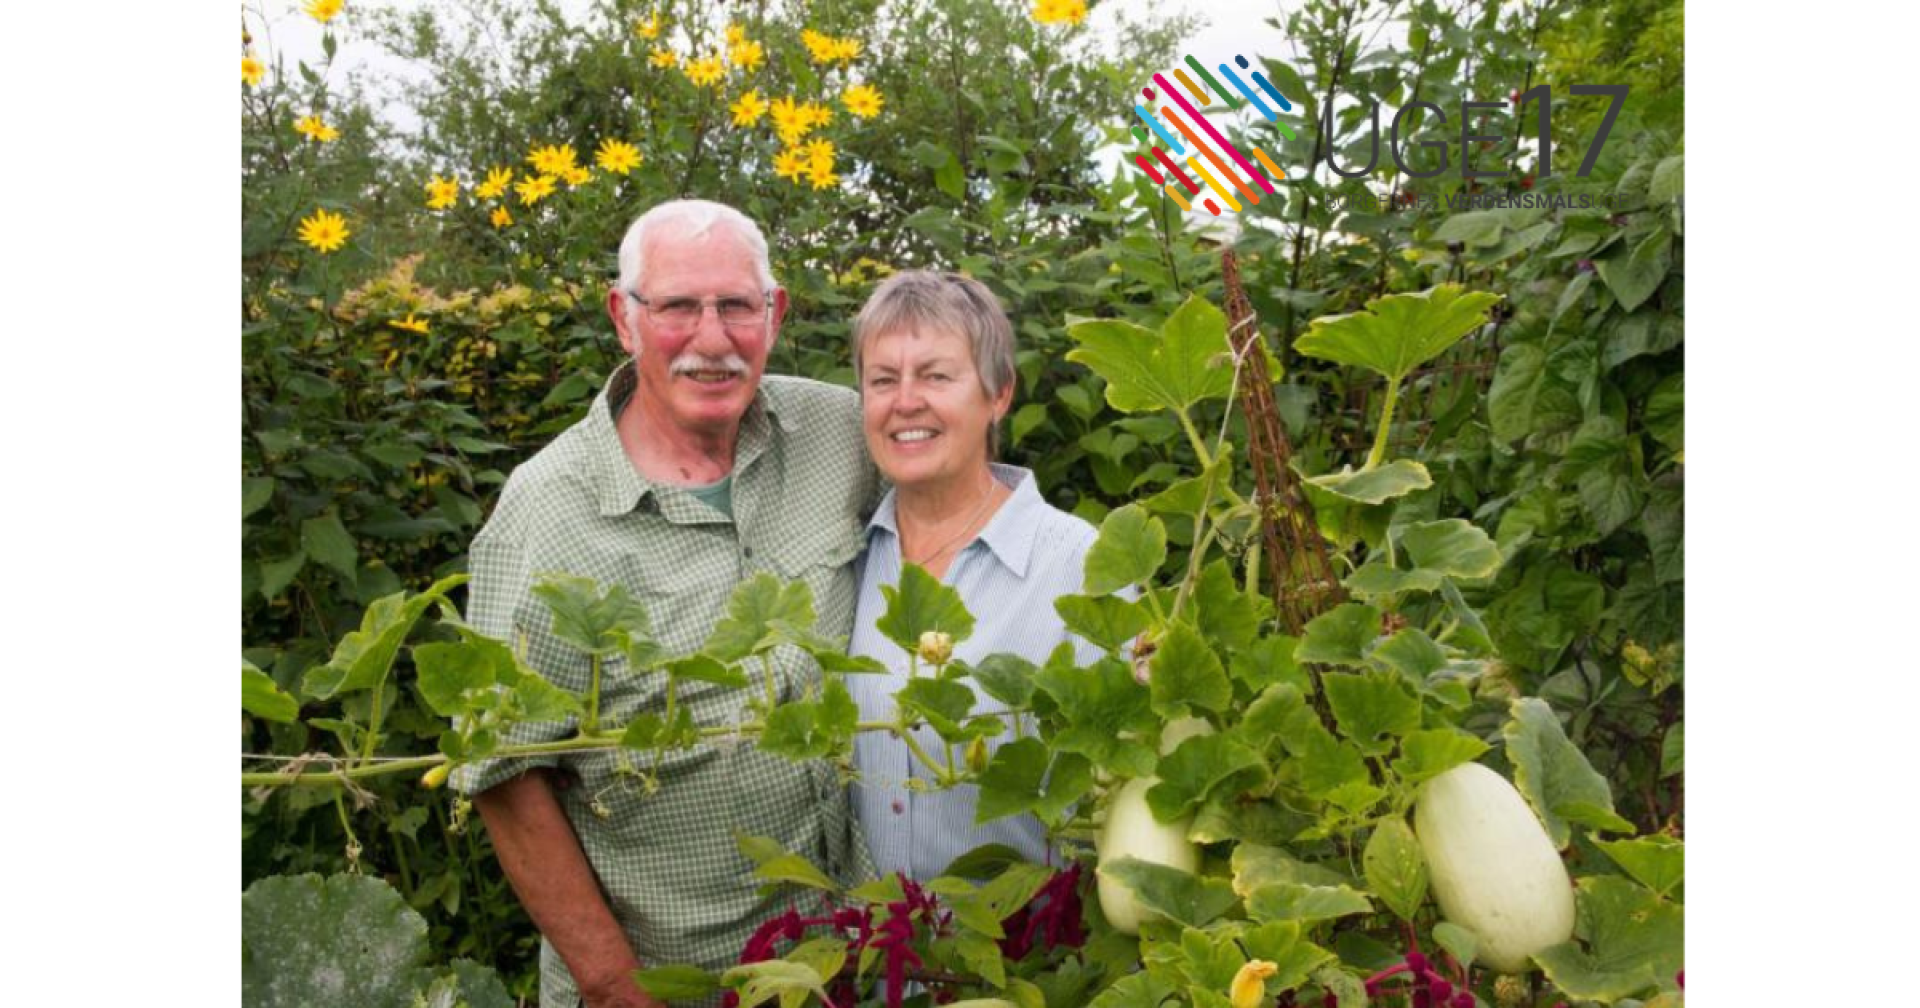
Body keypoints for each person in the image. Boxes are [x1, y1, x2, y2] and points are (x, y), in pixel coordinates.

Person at [454, 199, 878, 1008]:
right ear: (625, 317)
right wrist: (617, 987)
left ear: (775, 313)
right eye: (679, 306)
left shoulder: (839, 432)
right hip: (677, 979)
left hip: (841, 962)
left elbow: (960, 492)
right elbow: (503, 773)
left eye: (736, 306)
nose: (712, 340)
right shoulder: (544, 516)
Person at [844, 270, 1107, 881]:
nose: (905, 400)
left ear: (998, 393)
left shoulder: (1078, 564)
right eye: (883, 380)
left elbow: (1123, 780)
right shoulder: (847, 554)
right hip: (867, 957)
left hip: (1025, 954)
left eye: (936, 375)